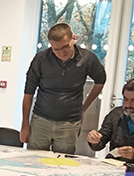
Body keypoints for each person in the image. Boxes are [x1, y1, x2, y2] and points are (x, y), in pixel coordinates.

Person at [21, 22, 106, 154]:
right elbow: (28, 93)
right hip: (40, 120)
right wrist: (25, 124)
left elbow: (100, 81)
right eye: (56, 49)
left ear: (74, 38)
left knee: (63, 164)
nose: (61, 52)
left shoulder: (87, 58)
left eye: (65, 47)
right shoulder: (41, 58)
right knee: (33, 160)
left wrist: (84, 108)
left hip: (69, 122)